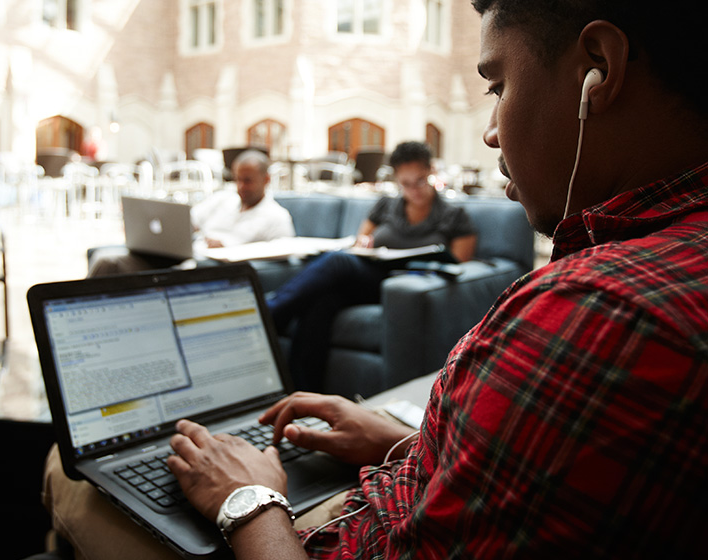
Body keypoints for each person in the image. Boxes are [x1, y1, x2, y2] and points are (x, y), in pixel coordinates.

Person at [43, 0, 708, 557]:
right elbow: (557, 473)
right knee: (331, 279)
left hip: (311, 532)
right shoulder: (671, 266)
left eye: (498, 85)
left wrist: (247, 498)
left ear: (600, 70)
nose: (490, 133)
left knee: (69, 472)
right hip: (381, 446)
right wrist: (411, 442)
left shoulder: (594, 310)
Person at [267, 141, 477, 390]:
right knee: (320, 303)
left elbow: (458, 265)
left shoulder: (454, 215)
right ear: (397, 179)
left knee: (337, 261)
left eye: (420, 181)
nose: (414, 190)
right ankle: (300, 392)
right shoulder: (386, 205)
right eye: (406, 184)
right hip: (371, 275)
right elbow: (361, 241)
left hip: (406, 285)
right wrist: (366, 245)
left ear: (431, 171)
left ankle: (269, 315)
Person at [88, 149, 295, 276]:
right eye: (237, 179)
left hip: (208, 271)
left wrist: (228, 247)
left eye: (248, 180)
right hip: (180, 258)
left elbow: (286, 259)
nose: (241, 186)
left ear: (266, 179)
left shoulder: (276, 217)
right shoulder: (223, 198)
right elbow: (187, 221)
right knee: (105, 260)